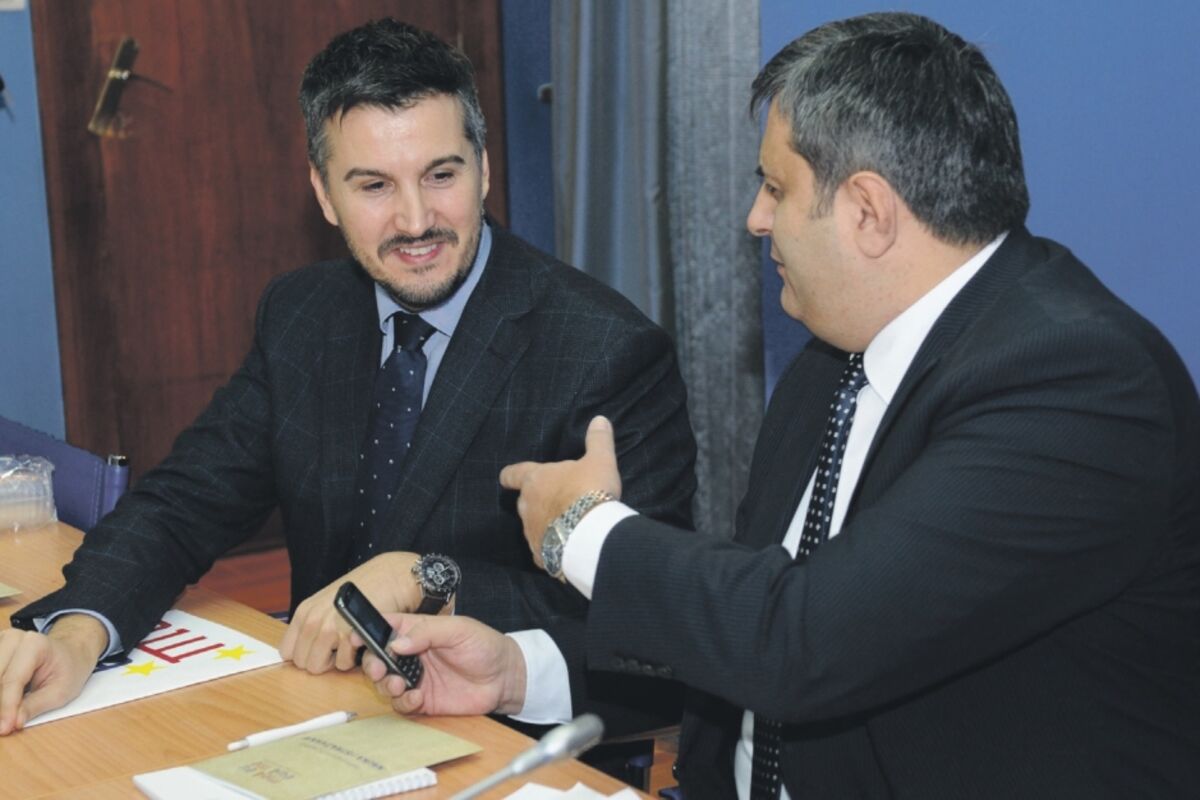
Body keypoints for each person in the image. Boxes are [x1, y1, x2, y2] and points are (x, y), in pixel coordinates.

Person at [350, 12, 1200, 798]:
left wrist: (581, 529)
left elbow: (808, 640)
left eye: (776, 187)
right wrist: (517, 671)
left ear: (867, 211)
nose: (757, 219)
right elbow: (741, 624)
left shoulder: (1079, 386)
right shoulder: (835, 360)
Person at [0, 19, 696, 735]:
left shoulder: (606, 352)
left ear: (485, 169)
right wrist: (78, 633)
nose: (416, 220)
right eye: (374, 186)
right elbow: (184, 504)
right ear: (324, 194)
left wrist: (430, 579)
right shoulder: (303, 315)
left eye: (442, 175)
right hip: (318, 711)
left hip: (497, 736)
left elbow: (653, 634)